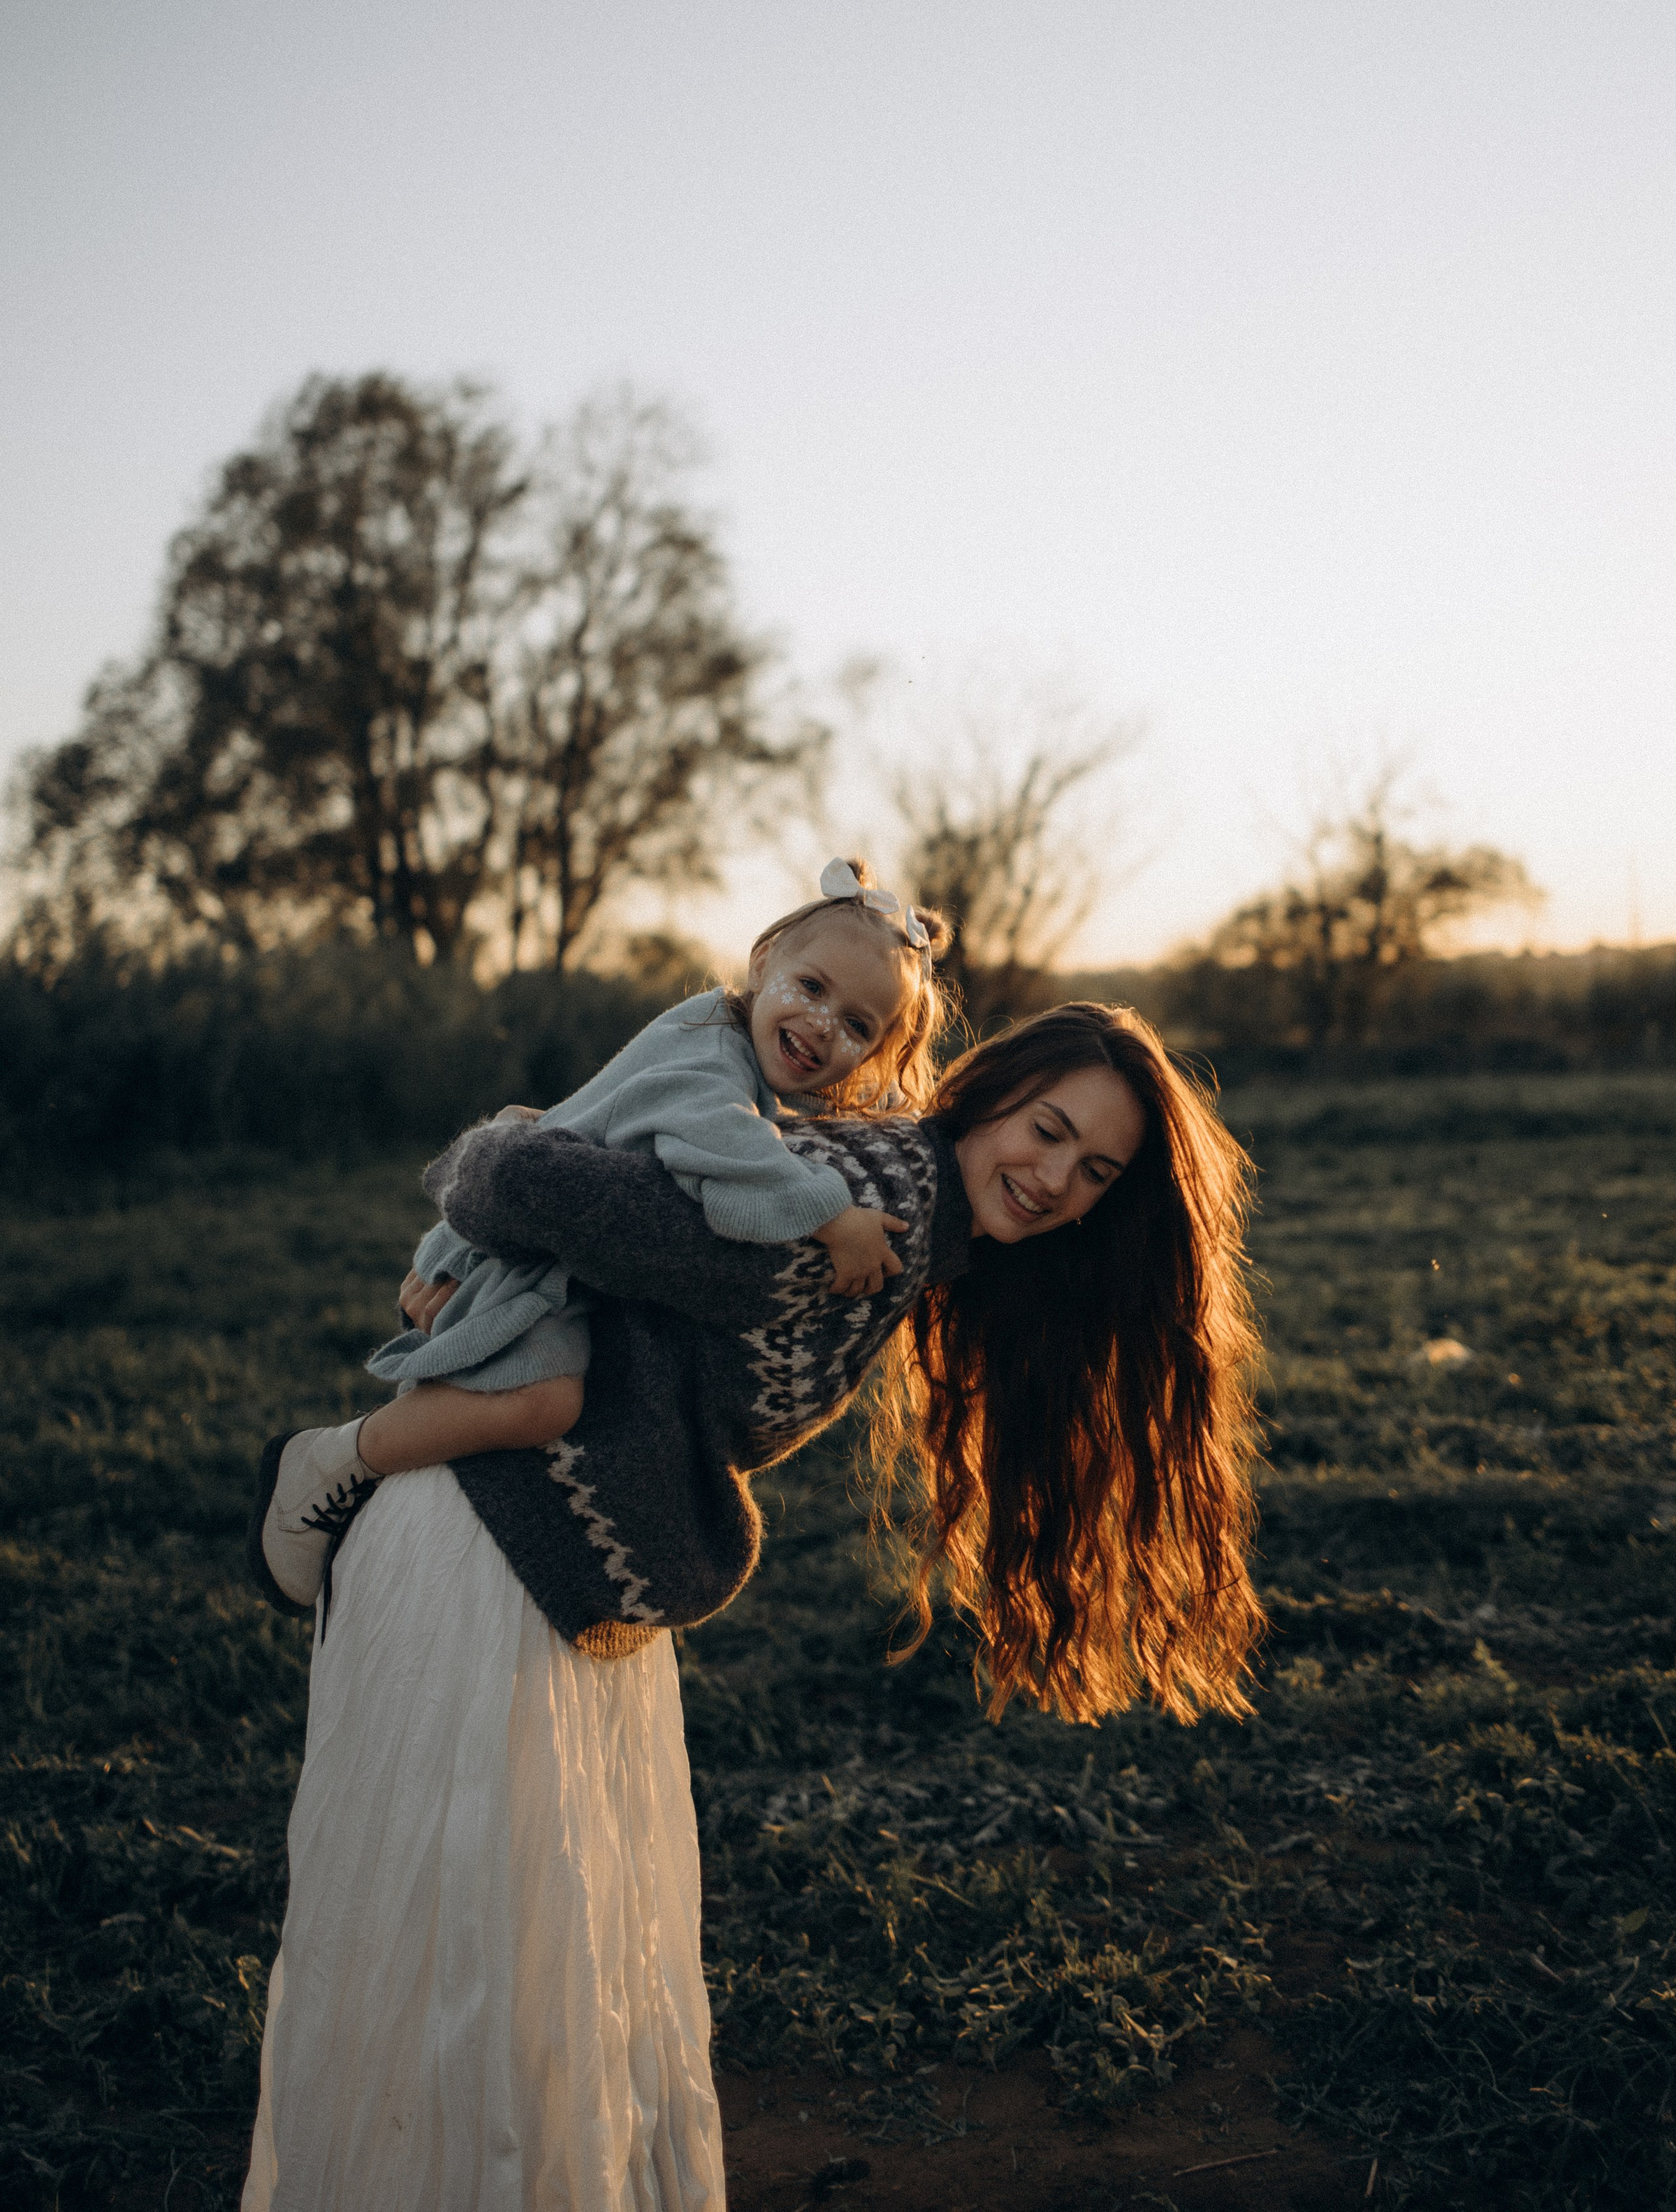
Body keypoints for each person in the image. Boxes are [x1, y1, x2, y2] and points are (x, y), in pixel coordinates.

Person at [242, 1001, 1263, 2212]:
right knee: (464, 1947)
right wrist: (478, 1211)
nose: (1054, 1180)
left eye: (1094, 1172)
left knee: (518, 1947)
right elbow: (528, 1179)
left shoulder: (902, 1226)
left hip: (543, 1554)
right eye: (1047, 1131)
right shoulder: (865, 1203)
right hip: (482, 1543)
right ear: (991, 1095)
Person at [249, 859, 950, 1620]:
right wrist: (834, 1216)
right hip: (513, 1253)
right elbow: (730, 1163)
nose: (822, 1023)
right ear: (762, 963)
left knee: (543, 1400)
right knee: (544, 1402)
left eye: (858, 1025)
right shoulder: (710, 1059)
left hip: (539, 1240)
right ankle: (332, 1463)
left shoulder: (729, 1047)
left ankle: (373, 1491)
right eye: (811, 987)